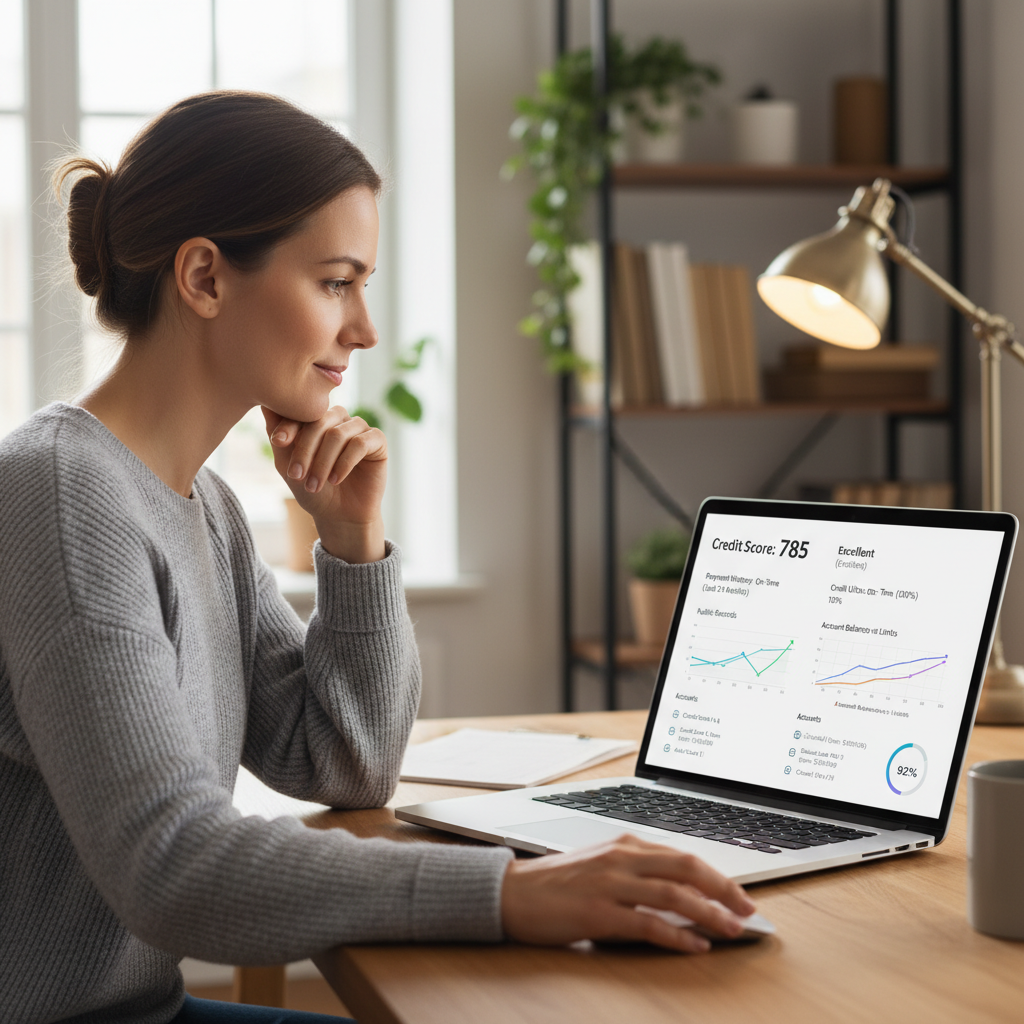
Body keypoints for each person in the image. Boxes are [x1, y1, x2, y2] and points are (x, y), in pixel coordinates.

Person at [0, 91, 755, 1024]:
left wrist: (350, 544)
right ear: (203, 276)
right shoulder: (63, 496)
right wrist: (512, 895)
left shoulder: (205, 509)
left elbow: (344, 762)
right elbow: (170, 868)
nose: (361, 329)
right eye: (334, 282)